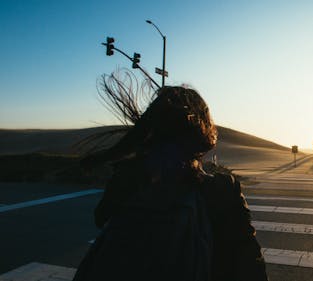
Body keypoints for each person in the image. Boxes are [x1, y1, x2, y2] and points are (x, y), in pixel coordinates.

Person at [73, 85, 268, 281]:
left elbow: (101, 218)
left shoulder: (128, 178)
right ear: (203, 133)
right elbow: (249, 261)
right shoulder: (221, 190)